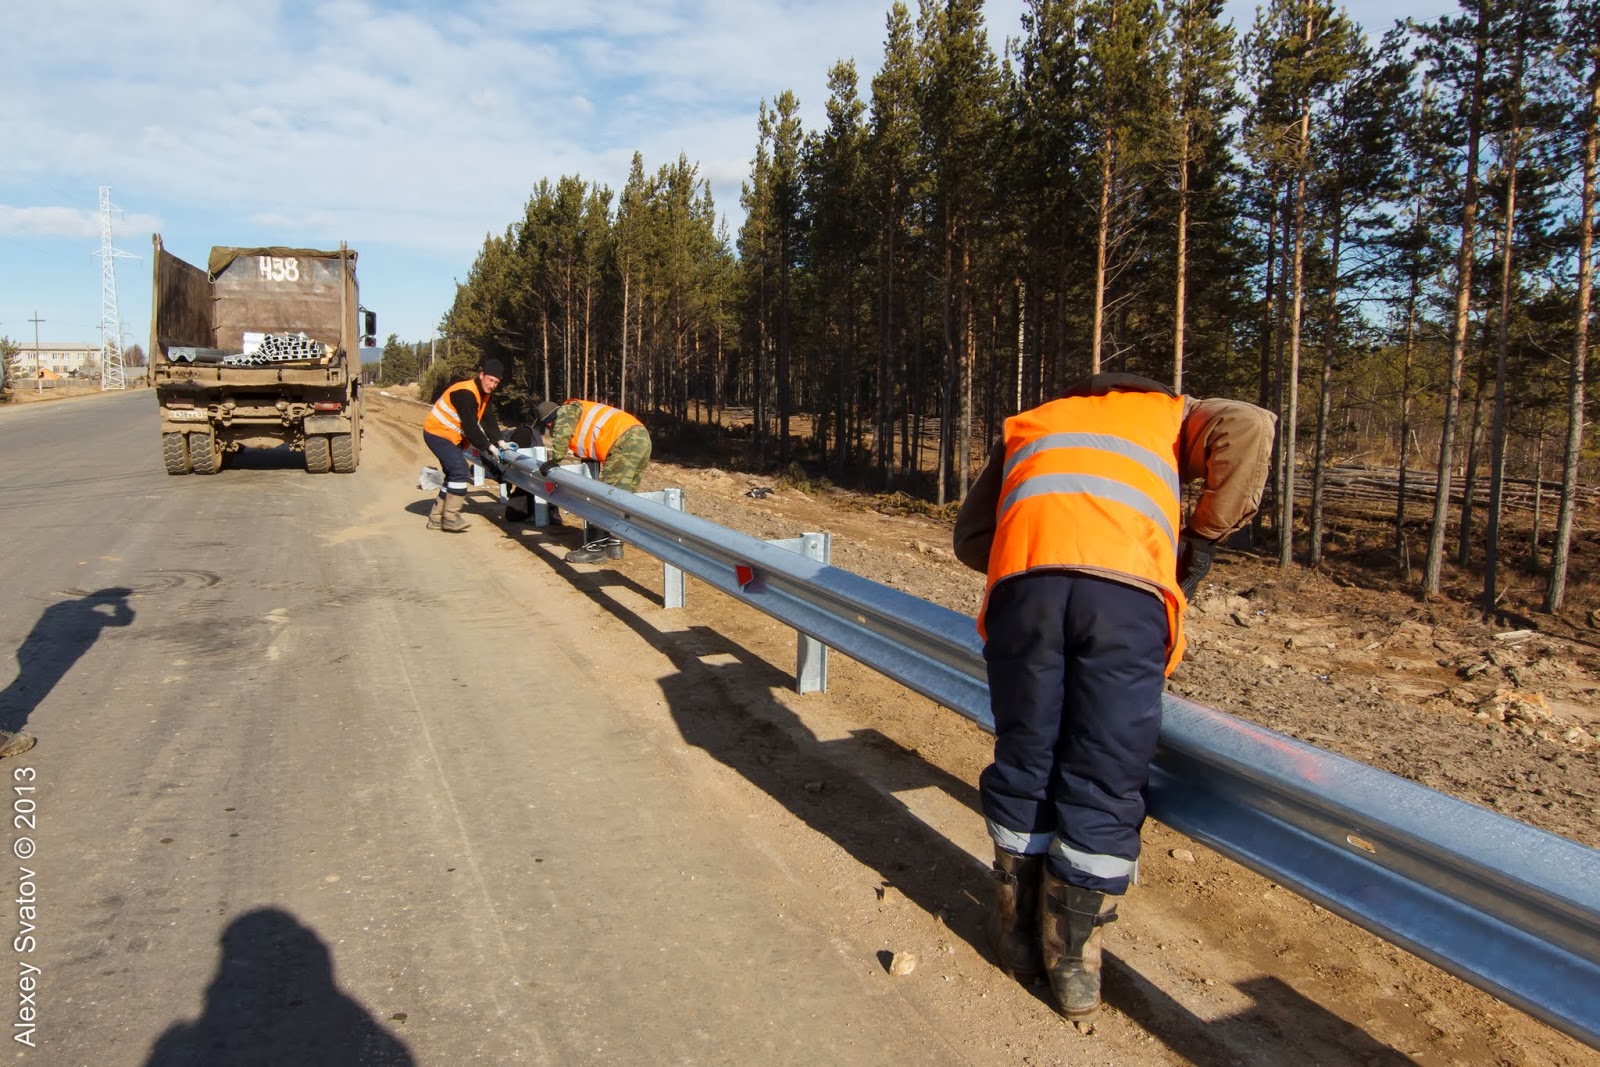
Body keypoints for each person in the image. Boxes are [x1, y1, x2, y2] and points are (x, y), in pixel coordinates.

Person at [952, 372, 1274, 1023]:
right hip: (1122, 598)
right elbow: (1252, 426)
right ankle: (1072, 963)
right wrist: (1202, 538)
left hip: (1026, 589)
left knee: (1028, 753)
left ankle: (1016, 933)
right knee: (1104, 767)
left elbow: (969, 538)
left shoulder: (1033, 423)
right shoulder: (1170, 414)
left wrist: (1037, 554)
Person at [533, 398, 652, 565]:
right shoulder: (582, 412)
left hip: (625, 442)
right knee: (623, 497)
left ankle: (595, 549)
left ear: (549, 421)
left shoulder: (566, 410)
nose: (551, 429)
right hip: (640, 438)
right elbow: (591, 439)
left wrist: (555, 459)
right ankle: (614, 544)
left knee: (606, 498)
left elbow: (563, 432)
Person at [421, 360, 519, 533]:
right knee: (460, 471)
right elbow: (471, 428)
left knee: (452, 475)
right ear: (481, 375)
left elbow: (488, 420)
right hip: (438, 433)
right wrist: (491, 449)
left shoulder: (484, 394)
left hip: (449, 436)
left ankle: (436, 518)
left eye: (496, 382)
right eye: (490, 380)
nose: (492, 385)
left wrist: (501, 442)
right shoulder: (466, 393)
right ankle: (451, 517)